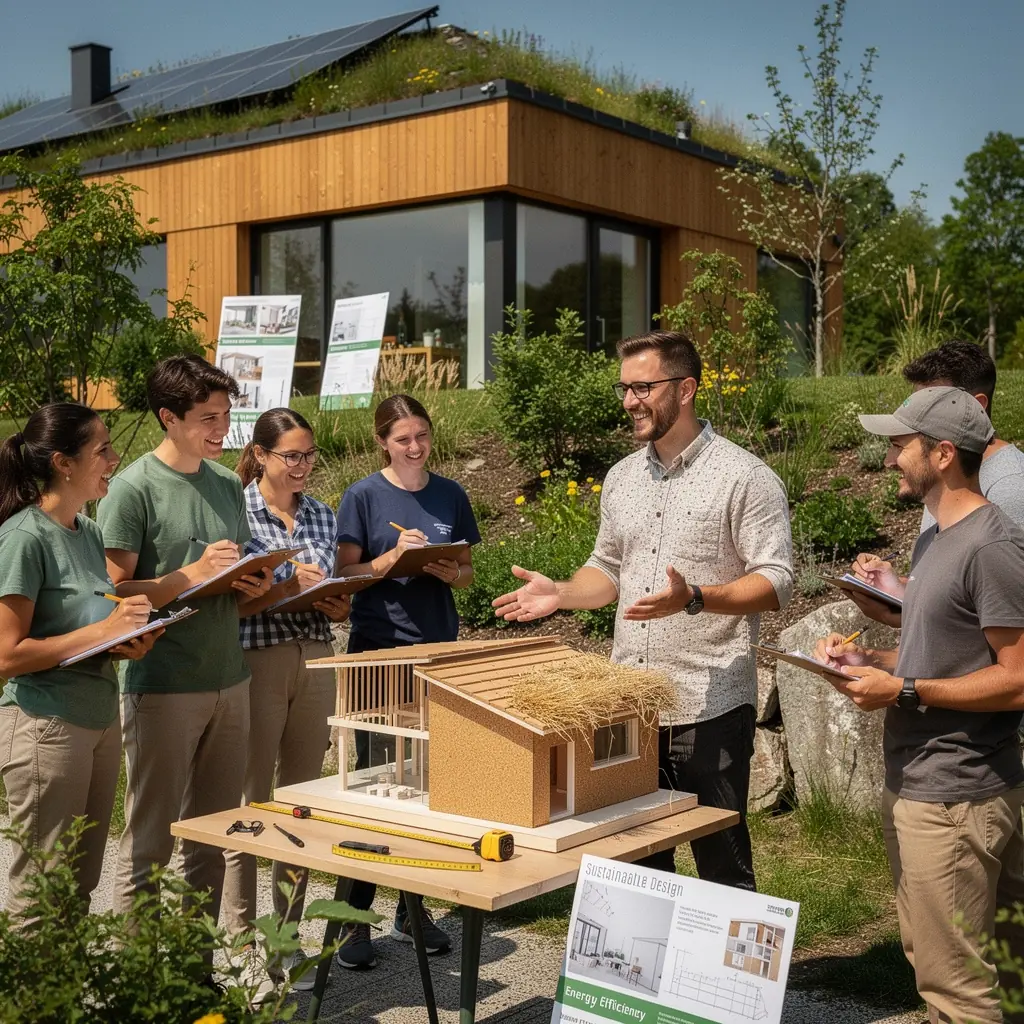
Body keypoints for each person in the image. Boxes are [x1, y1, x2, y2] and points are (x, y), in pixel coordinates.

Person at [493, 329, 794, 892]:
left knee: (722, 868)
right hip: (629, 705)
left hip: (709, 702)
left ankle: (722, 955)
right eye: (625, 389)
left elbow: (776, 580)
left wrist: (696, 596)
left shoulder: (746, 477)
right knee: (633, 869)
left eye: (643, 388)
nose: (630, 401)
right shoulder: (622, 478)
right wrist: (561, 592)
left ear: (686, 389)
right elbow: (606, 569)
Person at [812, 386, 1024, 1024]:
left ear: (942, 454)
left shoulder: (989, 547)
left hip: (956, 795)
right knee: (994, 977)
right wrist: (869, 661)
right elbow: (945, 655)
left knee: (955, 989)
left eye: (900, 445)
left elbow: (1017, 679)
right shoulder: (938, 539)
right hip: (929, 784)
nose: (888, 459)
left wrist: (903, 690)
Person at [97, 355, 279, 924]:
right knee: (149, 842)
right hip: (163, 685)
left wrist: (256, 581)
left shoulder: (227, 484)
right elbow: (112, 594)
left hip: (231, 679)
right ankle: (139, 971)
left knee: (212, 839)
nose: (222, 429)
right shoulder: (131, 489)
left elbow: (233, 586)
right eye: (208, 418)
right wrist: (191, 575)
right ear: (168, 418)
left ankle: (194, 969)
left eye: (226, 415)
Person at [334, 393, 480, 968]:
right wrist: (391, 559)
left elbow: (467, 574)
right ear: (382, 442)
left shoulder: (451, 494)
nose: (415, 447)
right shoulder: (363, 496)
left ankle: (410, 908)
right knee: (375, 782)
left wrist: (450, 571)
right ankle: (352, 920)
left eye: (422, 435)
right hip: (379, 653)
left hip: (438, 652)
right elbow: (345, 576)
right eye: (402, 439)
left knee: (426, 783)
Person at [0, 404, 156, 916]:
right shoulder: (23, 538)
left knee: (80, 886)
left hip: (97, 720)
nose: (115, 458)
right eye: (102, 449)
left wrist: (126, 640)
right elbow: (6, 655)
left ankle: (69, 977)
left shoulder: (88, 531)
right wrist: (103, 631)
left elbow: (86, 628)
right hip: (46, 725)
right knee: (42, 896)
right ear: (64, 463)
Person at [222, 408, 351, 990]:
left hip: (316, 658)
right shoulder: (236, 509)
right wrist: (284, 587)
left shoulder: (322, 514)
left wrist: (339, 603)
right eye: (291, 456)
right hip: (257, 660)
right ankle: (243, 946)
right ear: (261, 455)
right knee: (251, 803)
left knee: (301, 805)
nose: (303, 465)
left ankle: (286, 940)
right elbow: (229, 599)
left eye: (309, 455)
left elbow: (329, 589)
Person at [848, 341, 1024, 627]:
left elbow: (1006, 617)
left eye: (933, 402)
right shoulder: (941, 481)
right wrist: (897, 592)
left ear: (977, 406)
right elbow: (960, 597)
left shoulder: (1010, 488)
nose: (889, 461)